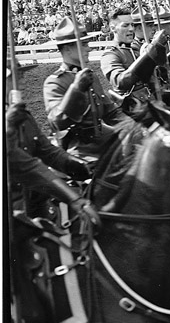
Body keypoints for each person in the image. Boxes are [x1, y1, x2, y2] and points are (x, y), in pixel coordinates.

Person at [6, 69, 101, 323]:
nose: (20, 80)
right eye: (13, 76)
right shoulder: (11, 119)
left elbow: (45, 153)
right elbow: (18, 162)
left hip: (34, 207)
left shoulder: (21, 116)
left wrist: (75, 167)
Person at [44, 17, 126, 161]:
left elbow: (110, 112)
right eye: (83, 44)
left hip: (104, 143)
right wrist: (76, 89)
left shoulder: (90, 75)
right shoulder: (55, 82)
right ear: (67, 49)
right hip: (80, 151)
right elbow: (57, 122)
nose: (89, 48)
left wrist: (136, 126)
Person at [99, 7, 170, 113]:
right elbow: (120, 82)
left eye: (132, 25)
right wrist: (150, 51)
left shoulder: (136, 50)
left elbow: (156, 77)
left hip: (152, 103)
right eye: (125, 25)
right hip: (134, 110)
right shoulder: (110, 55)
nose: (131, 29)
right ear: (113, 28)